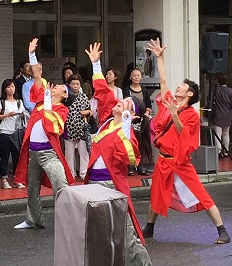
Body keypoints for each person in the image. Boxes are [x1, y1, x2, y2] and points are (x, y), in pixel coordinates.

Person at [142, 38, 231, 245]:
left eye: (182, 86)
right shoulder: (169, 103)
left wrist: (174, 115)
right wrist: (159, 58)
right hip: (163, 160)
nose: (178, 87)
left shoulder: (191, 114)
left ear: (190, 94)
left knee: (201, 194)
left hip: (180, 162)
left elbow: (183, 132)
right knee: (156, 194)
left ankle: (222, 231)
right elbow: (163, 80)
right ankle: (149, 227)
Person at [84, 42, 151, 265]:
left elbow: (129, 158)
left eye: (125, 104)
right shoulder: (104, 123)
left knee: (126, 234)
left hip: (112, 187)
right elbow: (103, 91)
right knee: (97, 235)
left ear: (132, 114)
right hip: (94, 185)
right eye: (120, 101)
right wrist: (96, 64)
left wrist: (125, 125)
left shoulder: (127, 131)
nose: (119, 103)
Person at [14, 38, 74, 229]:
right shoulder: (42, 100)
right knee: (32, 188)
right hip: (34, 152)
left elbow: (53, 127)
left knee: (61, 186)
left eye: (60, 87)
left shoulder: (61, 110)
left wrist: (47, 102)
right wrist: (31, 54)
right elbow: (37, 75)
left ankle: (69, 221)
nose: (55, 86)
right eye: (55, 85)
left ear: (64, 95)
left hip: (49, 154)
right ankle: (33, 219)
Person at [0, 79, 26, 189]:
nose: (11, 89)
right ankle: (4, 179)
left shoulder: (19, 101)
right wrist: (7, 115)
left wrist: (22, 114)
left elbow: (23, 114)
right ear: (5, 89)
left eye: (12, 86)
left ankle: (17, 179)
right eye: (8, 87)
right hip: (5, 132)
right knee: (5, 157)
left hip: (16, 132)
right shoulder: (1, 101)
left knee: (17, 157)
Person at [124, 68, 153, 175]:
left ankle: (141, 167)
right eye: (134, 75)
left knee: (142, 144)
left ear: (141, 77)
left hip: (142, 121)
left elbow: (149, 106)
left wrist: (147, 112)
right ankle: (130, 168)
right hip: (130, 121)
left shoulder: (144, 90)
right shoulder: (126, 90)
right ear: (130, 77)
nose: (136, 77)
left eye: (138, 75)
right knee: (130, 144)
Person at [64, 74, 91, 180]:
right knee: (69, 153)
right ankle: (70, 173)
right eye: (73, 84)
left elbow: (90, 110)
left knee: (83, 152)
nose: (75, 86)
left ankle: (84, 173)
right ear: (69, 85)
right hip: (69, 127)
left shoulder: (84, 97)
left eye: (77, 84)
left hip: (81, 128)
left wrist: (87, 112)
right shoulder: (65, 98)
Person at [209, 74, 232, 158]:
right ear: (227, 81)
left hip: (217, 114)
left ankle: (218, 151)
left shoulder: (215, 90)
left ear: (218, 81)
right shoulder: (230, 91)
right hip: (227, 114)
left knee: (218, 133)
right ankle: (226, 151)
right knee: (226, 133)